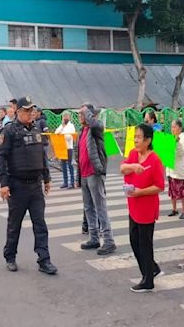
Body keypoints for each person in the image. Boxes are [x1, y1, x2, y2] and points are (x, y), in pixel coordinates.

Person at [0, 96, 57, 275]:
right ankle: (10, 256)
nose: (31, 114)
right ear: (18, 112)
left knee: (40, 224)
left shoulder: (37, 129)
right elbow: (1, 159)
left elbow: (42, 157)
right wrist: (4, 184)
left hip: (35, 187)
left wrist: (46, 179)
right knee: (14, 224)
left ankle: (44, 260)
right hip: (17, 187)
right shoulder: (9, 131)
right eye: (27, 111)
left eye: (32, 110)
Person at [121, 124, 165, 293]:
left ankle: (148, 280)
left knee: (145, 244)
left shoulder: (154, 160)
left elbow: (160, 186)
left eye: (139, 137)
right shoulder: (133, 154)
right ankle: (152, 268)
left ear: (148, 140)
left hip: (146, 207)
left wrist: (141, 192)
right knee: (134, 240)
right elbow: (122, 168)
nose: (136, 140)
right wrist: (133, 167)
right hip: (133, 205)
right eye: (135, 137)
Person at [77, 103, 117, 255]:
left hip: (94, 173)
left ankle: (109, 240)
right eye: (80, 114)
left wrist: (88, 112)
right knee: (88, 208)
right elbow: (79, 154)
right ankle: (94, 238)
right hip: (85, 174)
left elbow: (94, 123)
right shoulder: (83, 131)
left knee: (100, 207)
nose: (80, 116)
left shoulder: (96, 128)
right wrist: (78, 176)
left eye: (83, 114)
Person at [166, 119, 184, 219]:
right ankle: (174, 209)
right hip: (171, 168)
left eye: (174, 127)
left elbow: (181, 153)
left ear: (180, 128)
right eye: (172, 127)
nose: (172, 129)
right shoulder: (172, 138)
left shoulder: (183, 139)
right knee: (172, 190)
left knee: (182, 191)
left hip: (180, 169)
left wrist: (176, 144)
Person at [55, 112, 76, 189]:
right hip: (62, 148)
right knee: (63, 165)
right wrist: (62, 127)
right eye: (64, 116)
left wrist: (62, 135)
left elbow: (70, 137)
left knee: (70, 165)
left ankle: (72, 182)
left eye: (66, 116)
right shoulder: (61, 125)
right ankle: (65, 182)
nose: (65, 118)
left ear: (69, 118)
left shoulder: (71, 126)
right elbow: (56, 132)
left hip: (69, 148)